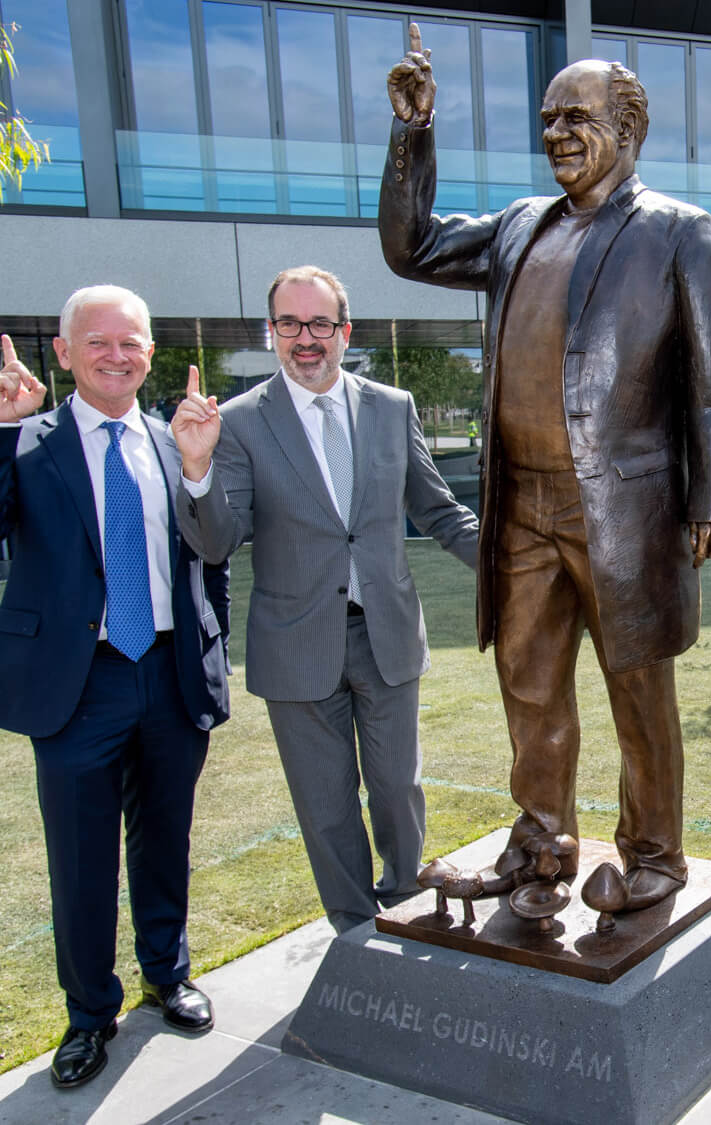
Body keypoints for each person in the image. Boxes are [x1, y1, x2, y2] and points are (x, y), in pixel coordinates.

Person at [379, 32, 711, 913]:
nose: (557, 135)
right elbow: (411, 245)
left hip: (625, 509)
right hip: (523, 508)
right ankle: (541, 846)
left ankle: (655, 853)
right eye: (547, 122)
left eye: (576, 118)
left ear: (628, 126)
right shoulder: (517, 227)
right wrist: (414, 133)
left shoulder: (678, 231)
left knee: (637, 686)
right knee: (530, 682)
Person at [0, 288, 232, 1089]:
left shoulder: (176, 439)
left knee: (164, 836)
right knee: (80, 855)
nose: (116, 355)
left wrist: (215, 649)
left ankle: (166, 975)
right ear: (64, 353)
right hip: (77, 682)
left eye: (131, 341)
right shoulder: (27, 440)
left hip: (170, 670)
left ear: (149, 351)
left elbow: (213, 554)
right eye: (96, 342)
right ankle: (88, 1012)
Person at [170, 266, 480, 933]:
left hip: (387, 633)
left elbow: (439, 510)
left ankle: (403, 904)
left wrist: (515, 568)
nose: (303, 339)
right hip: (296, 645)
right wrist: (196, 470)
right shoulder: (243, 423)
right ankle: (353, 928)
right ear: (271, 331)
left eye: (317, 324)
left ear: (345, 331)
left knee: (398, 789)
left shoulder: (392, 407)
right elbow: (219, 541)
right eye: (289, 323)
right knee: (327, 805)